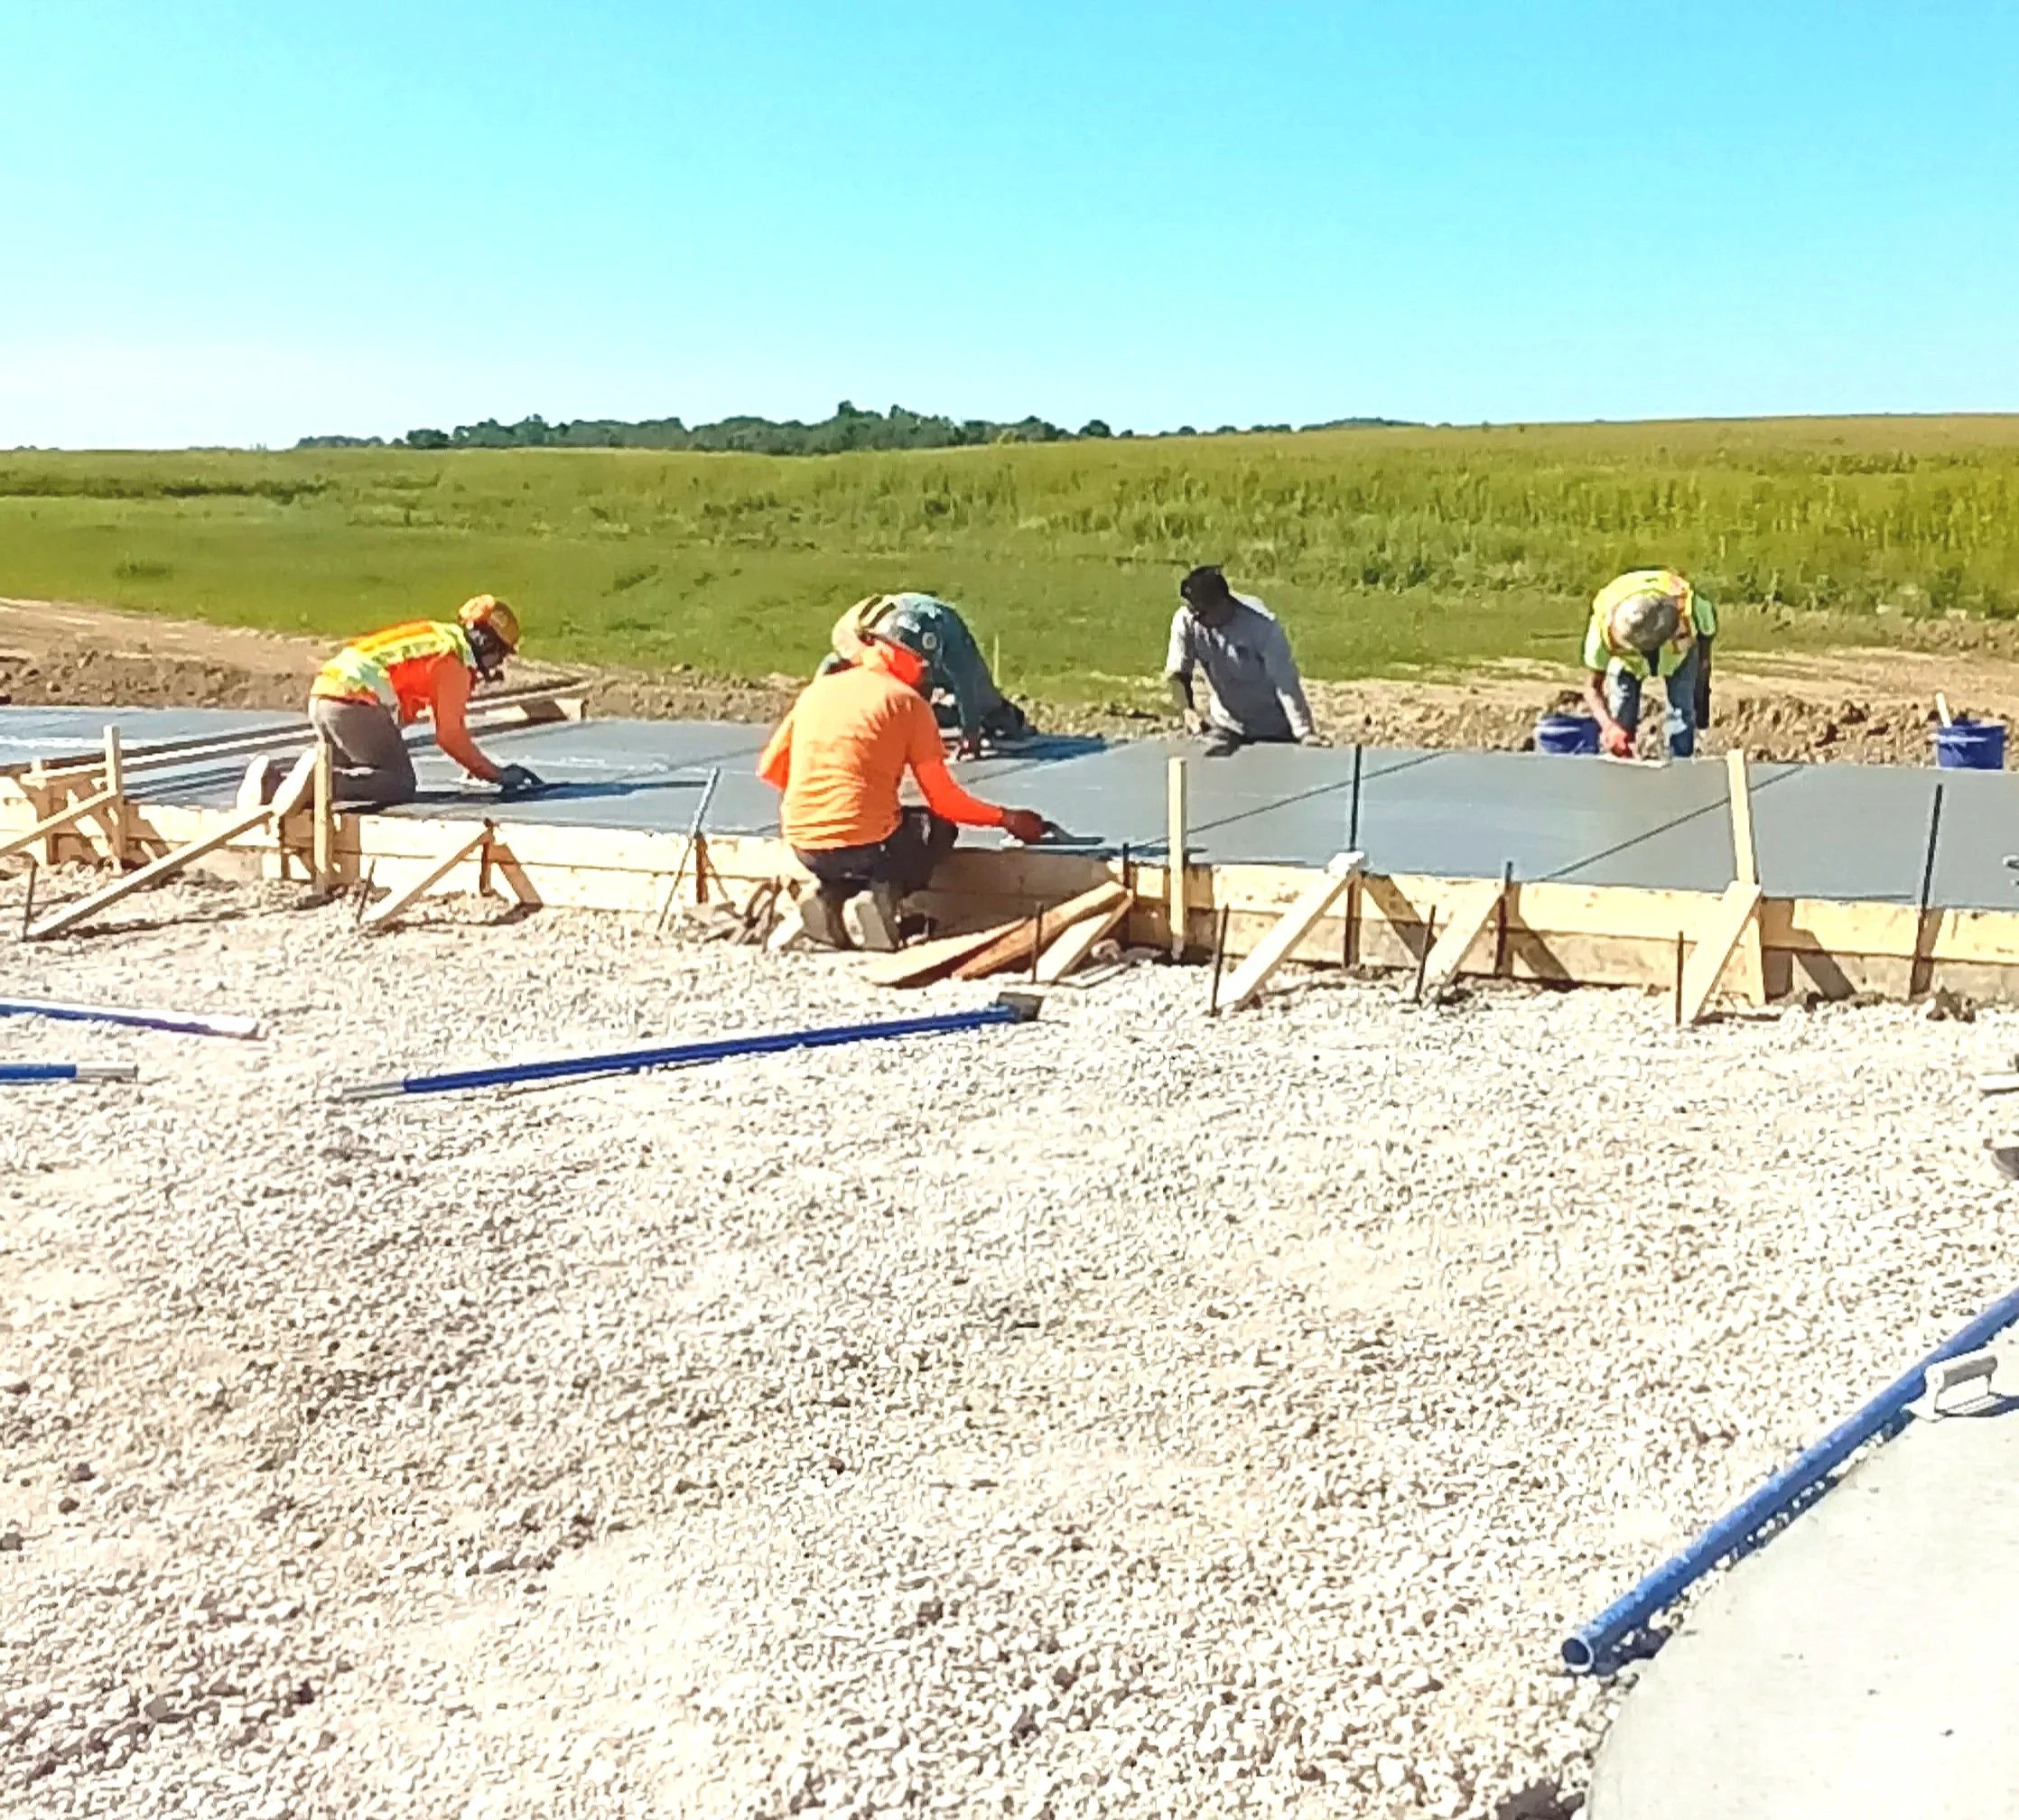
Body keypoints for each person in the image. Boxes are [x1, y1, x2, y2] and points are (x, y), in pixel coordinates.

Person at [759, 626, 1049, 950]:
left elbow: (771, 769)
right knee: (936, 830)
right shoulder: (907, 703)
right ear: (909, 657)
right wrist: (1008, 819)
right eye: (924, 666)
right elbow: (945, 802)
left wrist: (821, 802)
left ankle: (827, 895)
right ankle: (882, 895)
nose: (927, 676)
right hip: (869, 847)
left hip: (803, 843)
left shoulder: (817, 691)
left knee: (850, 848)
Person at [308, 595, 544, 810]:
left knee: (351, 773)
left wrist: (473, 762)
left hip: (325, 694)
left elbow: (406, 703)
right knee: (399, 782)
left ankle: (276, 784)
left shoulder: (438, 638)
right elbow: (450, 736)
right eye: (500, 655)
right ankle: (316, 784)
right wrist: (496, 774)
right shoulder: (454, 662)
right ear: (486, 643)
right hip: (353, 700)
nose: (497, 665)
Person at [823, 593, 1036, 755]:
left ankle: (1005, 717)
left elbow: (966, 682)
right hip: (888, 633)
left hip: (944, 624)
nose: (922, 669)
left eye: (924, 664)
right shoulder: (851, 641)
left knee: (982, 698)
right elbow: (829, 666)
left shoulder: (952, 645)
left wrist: (970, 733)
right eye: (914, 662)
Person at [1165, 565, 1318, 757]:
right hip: (1226, 725)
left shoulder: (1262, 626)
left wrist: (1304, 733)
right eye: (1192, 610)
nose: (1196, 618)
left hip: (1272, 728)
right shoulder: (1186, 621)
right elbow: (1178, 673)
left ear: (1221, 604)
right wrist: (1187, 710)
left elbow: (1285, 682)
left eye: (1201, 612)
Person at [1579, 569, 1717, 759]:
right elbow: (1592, 688)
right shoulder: (1602, 630)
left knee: (1682, 718)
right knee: (1621, 719)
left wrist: (1701, 688)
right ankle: (1621, 773)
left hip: (1678, 656)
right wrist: (1609, 727)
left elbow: (1705, 646)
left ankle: (1681, 770)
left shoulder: (1690, 606)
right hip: (1627, 664)